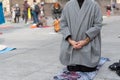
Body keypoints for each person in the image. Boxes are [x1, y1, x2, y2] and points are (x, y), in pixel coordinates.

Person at [60, 0, 103, 72]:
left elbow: (98, 25)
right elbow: (63, 24)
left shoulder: (94, 5)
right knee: (72, 68)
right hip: (72, 46)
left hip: (88, 44)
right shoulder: (68, 5)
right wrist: (70, 41)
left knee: (88, 68)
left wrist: (85, 41)